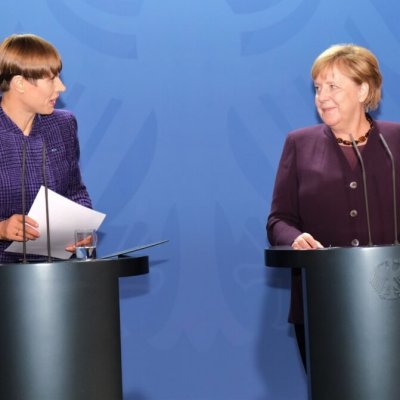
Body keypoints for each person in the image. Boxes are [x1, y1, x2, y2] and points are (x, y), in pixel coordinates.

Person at [267, 43, 400, 369]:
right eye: (318, 88)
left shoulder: (396, 141)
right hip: (321, 302)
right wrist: (294, 239)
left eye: (333, 86)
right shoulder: (299, 144)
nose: (322, 96)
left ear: (363, 90)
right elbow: (279, 220)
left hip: (391, 299)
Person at [0, 33, 92, 263]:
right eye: (51, 79)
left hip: (57, 270)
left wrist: (82, 229)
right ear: (19, 84)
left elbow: (75, 192)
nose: (61, 87)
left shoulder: (63, 125)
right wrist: (1, 229)